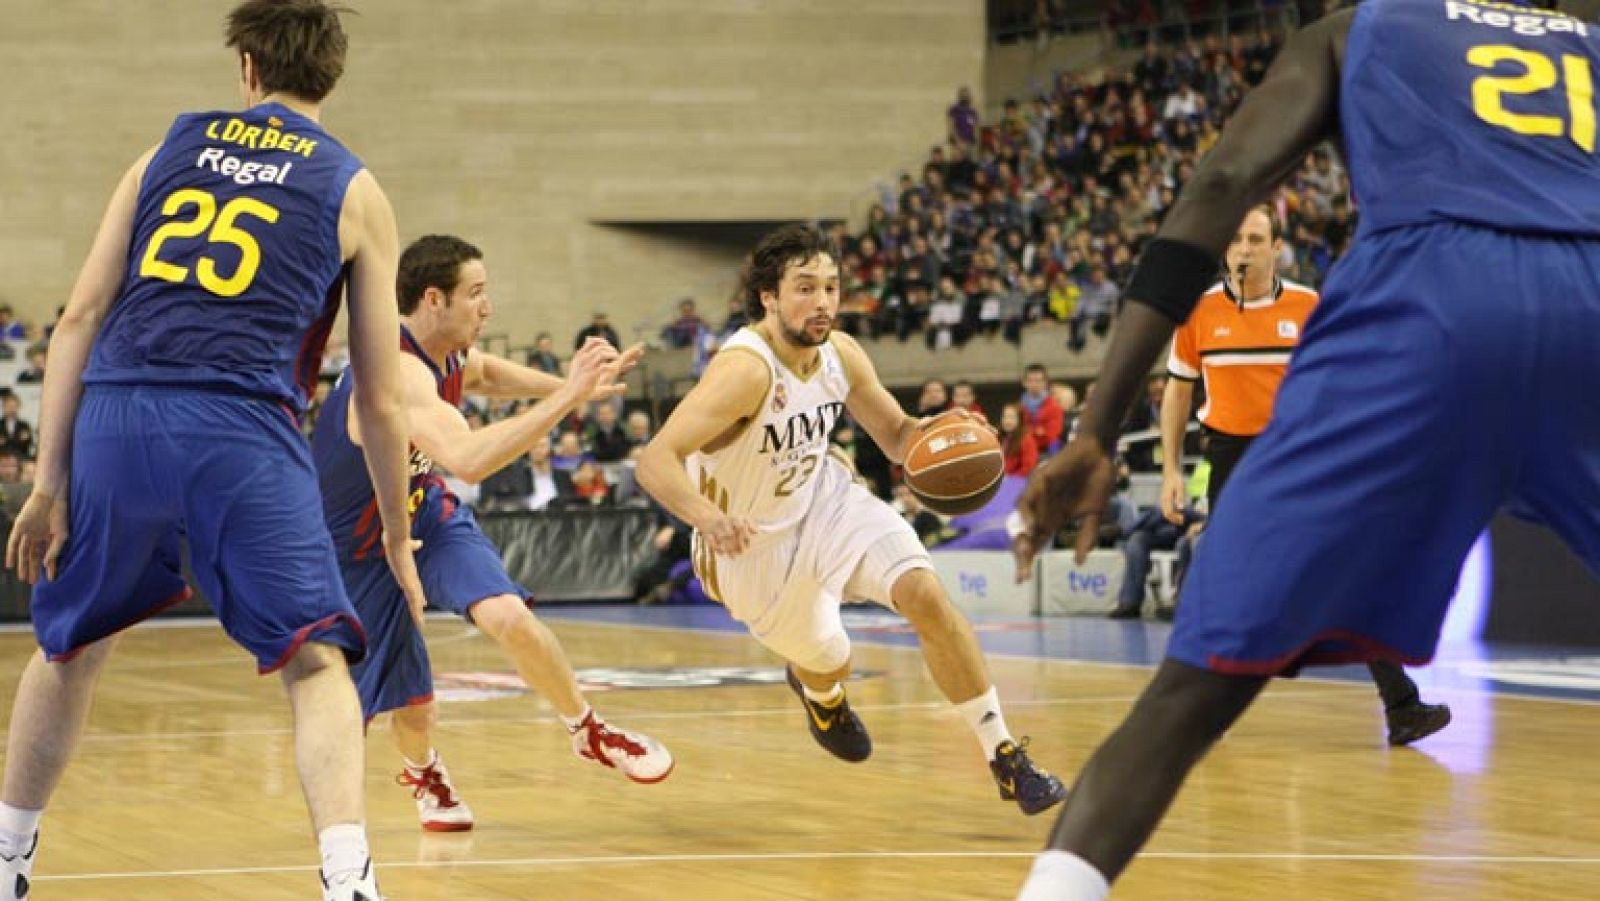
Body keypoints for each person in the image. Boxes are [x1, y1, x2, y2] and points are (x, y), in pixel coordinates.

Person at [1014, 2, 1600, 897]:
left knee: (1192, 693)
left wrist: (1095, 429)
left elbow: (1221, 186)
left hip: (1428, 302)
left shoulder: (1356, 28)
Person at [1, 3, 423, 898]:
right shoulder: (356, 190)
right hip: (239, 429)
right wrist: (392, 530)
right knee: (315, 660)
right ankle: (347, 876)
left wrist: (49, 481)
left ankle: (7, 860)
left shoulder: (163, 154)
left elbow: (77, 316)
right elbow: (382, 399)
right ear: (332, 76)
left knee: (70, 646)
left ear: (247, 68)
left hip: (116, 418)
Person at [637, 223, 1065, 816]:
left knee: (926, 595)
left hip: (826, 502)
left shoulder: (840, 353)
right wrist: (707, 517)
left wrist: (951, 434)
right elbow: (655, 459)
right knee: (829, 657)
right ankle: (822, 693)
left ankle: (1005, 756)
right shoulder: (745, 370)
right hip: (750, 549)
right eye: (805, 288)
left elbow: (896, 437)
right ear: (769, 296)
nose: (822, 302)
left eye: (832, 287)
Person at [311, 234, 672, 835]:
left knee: (509, 615)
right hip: (359, 545)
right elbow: (469, 459)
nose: (488, 308)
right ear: (434, 300)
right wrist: (569, 399)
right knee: (415, 707)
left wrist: (570, 388)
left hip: (423, 512)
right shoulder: (394, 373)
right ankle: (424, 770)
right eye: (476, 294)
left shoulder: (447, 352)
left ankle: (588, 730)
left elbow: (483, 373)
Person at [1161, 204, 1450, 744]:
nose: (1244, 249)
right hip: (1229, 457)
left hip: (1299, 453)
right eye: (1236, 240)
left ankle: (1402, 707)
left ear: (1277, 248)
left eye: (1256, 239)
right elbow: (1178, 390)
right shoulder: (1197, 313)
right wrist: (1171, 471)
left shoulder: (1308, 305)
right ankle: (1195, 708)